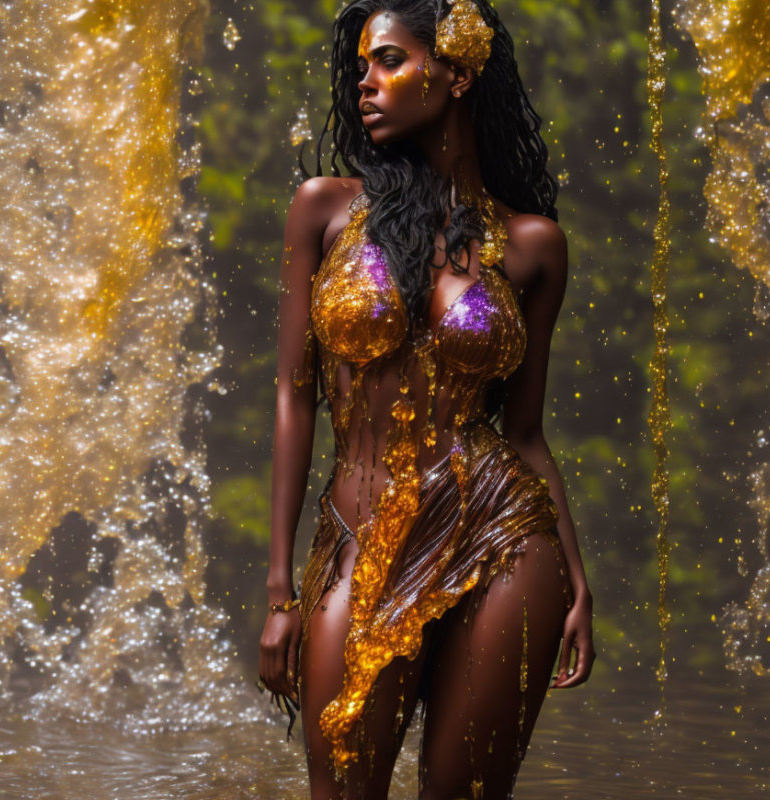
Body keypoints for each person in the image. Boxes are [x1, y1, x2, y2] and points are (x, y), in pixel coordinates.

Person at [258, 1, 594, 796]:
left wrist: (577, 582)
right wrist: (281, 591)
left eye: (388, 61)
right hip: (357, 539)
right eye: (363, 67)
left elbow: (526, 433)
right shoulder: (327, 209)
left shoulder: (532, 243)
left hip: (506, 538)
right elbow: (292, 396)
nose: (365, 83)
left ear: (456, 75)